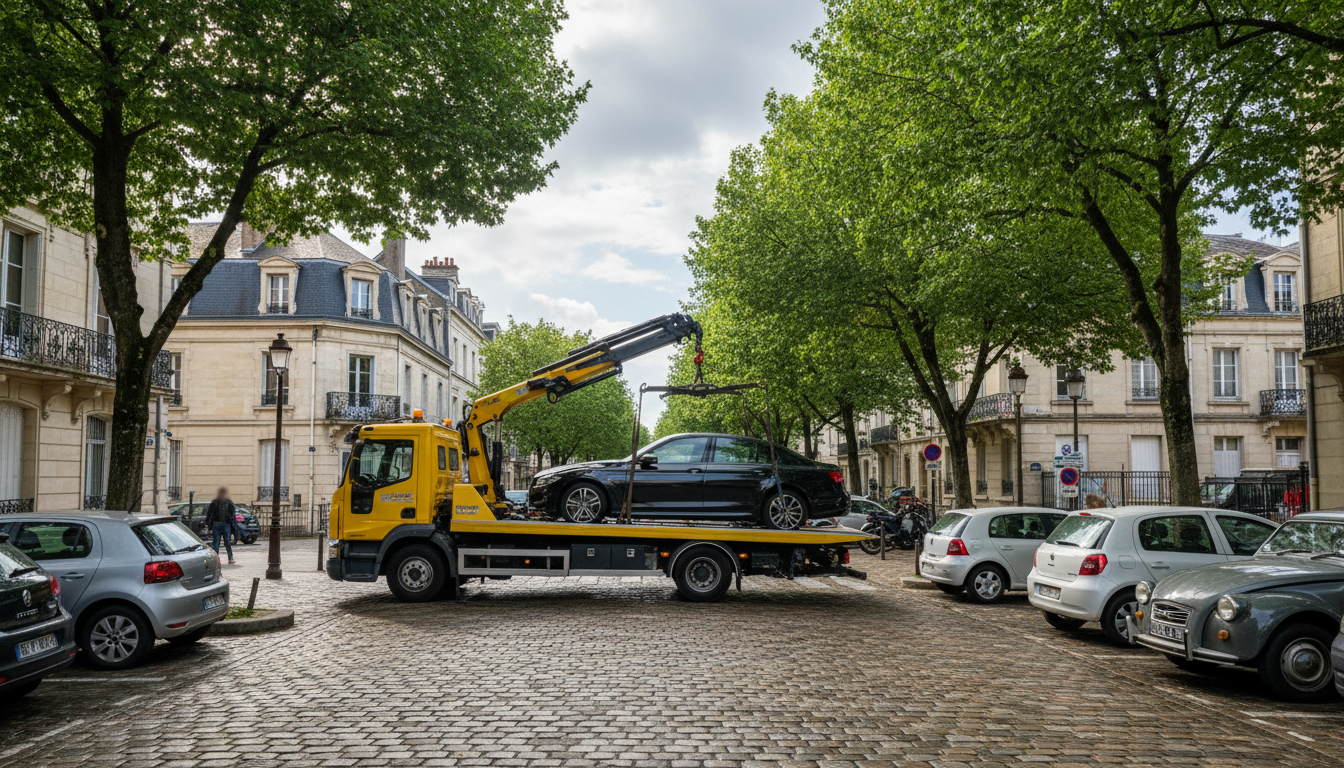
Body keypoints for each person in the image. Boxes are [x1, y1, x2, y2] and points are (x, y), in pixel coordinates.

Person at [205, 487, 237, 564]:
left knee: (227, 542)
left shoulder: (229, 502)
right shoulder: (215, 502)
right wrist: (208, 523)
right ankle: (217, 559)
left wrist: (232, 523)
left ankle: (230, 557)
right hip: (217, 524)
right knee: (216, 543)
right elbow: (209, 513)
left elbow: (233, 514)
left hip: (225, 524)